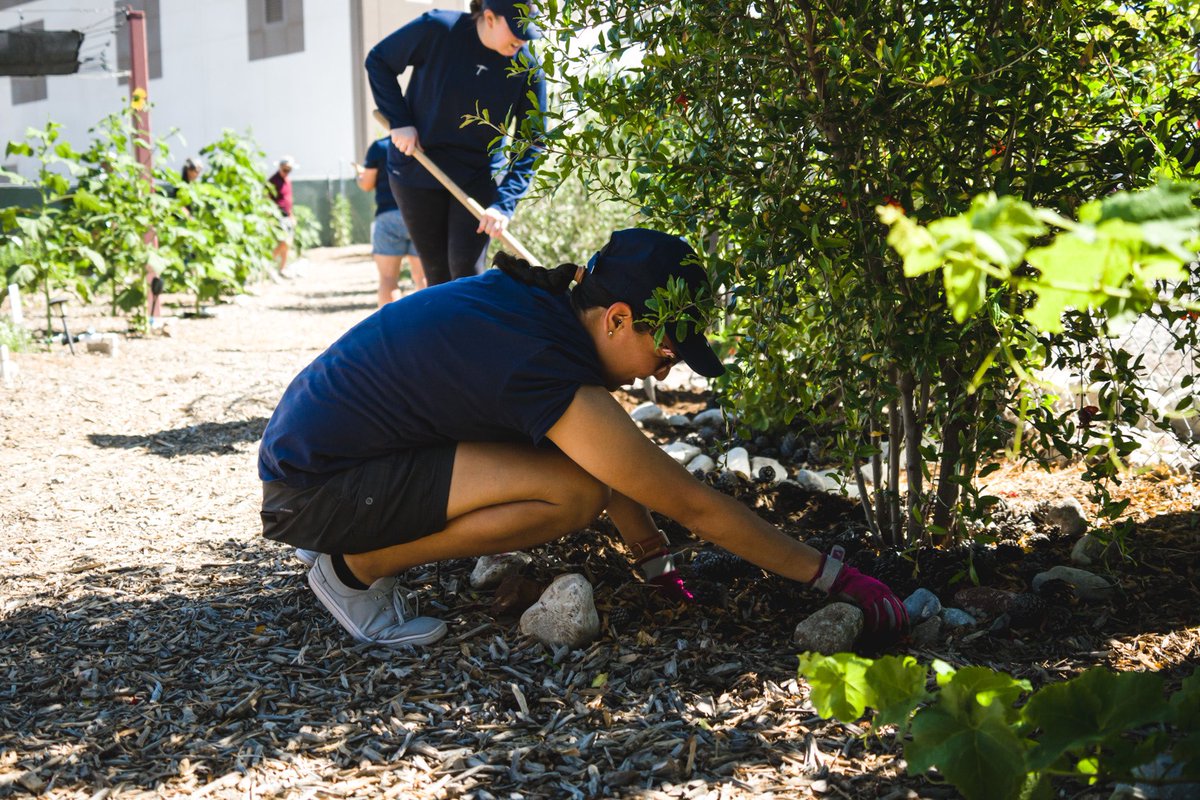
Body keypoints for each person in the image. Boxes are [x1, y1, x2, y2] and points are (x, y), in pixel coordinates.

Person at [257, 228, 908, 647]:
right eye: (667, 352)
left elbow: (615, 463)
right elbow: (694, 502)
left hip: (332, 465)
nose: (667, 369)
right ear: (619, 318)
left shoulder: (546, 314)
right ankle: (350, 570)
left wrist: (654, 562)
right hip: (313, 490)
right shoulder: (540, 361)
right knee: (568, 498)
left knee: (577, 478)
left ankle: (355, 556)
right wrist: (838, 580)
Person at [365, 0, 548, 286]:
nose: (522, 39)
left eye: (528, 31)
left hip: (477, 177)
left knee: (466, 272)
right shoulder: (439, 29)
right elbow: (378, 60)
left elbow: (532, 141)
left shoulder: (527, 68)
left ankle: (467, 330)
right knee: (436, 273)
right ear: (489, 17)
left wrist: (504, 204)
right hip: (418, 168)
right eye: (515, 30)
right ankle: (437, 330)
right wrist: (399, 121)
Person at [355, 136, 426, 305]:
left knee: (388, 278)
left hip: (388, 215)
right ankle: (426, 327)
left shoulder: (379, 147)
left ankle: (391, 329)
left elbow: (366, 184)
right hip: (421, 216)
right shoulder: (425, 142)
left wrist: (359, 176)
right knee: (423, 278)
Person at [267, 157, 298, 278]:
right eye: (285, 169)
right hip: (278, 216)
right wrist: (269, 216)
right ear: (280, 167)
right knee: (284, 242)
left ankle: (282, 269)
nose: (286, 171)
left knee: (287, 245)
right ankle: (268, 264)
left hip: (287, 216)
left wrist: (292, 215)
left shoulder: (287, 181)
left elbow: (288, 200)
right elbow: (267, 198)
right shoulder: (273, 181)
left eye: (289, 169)